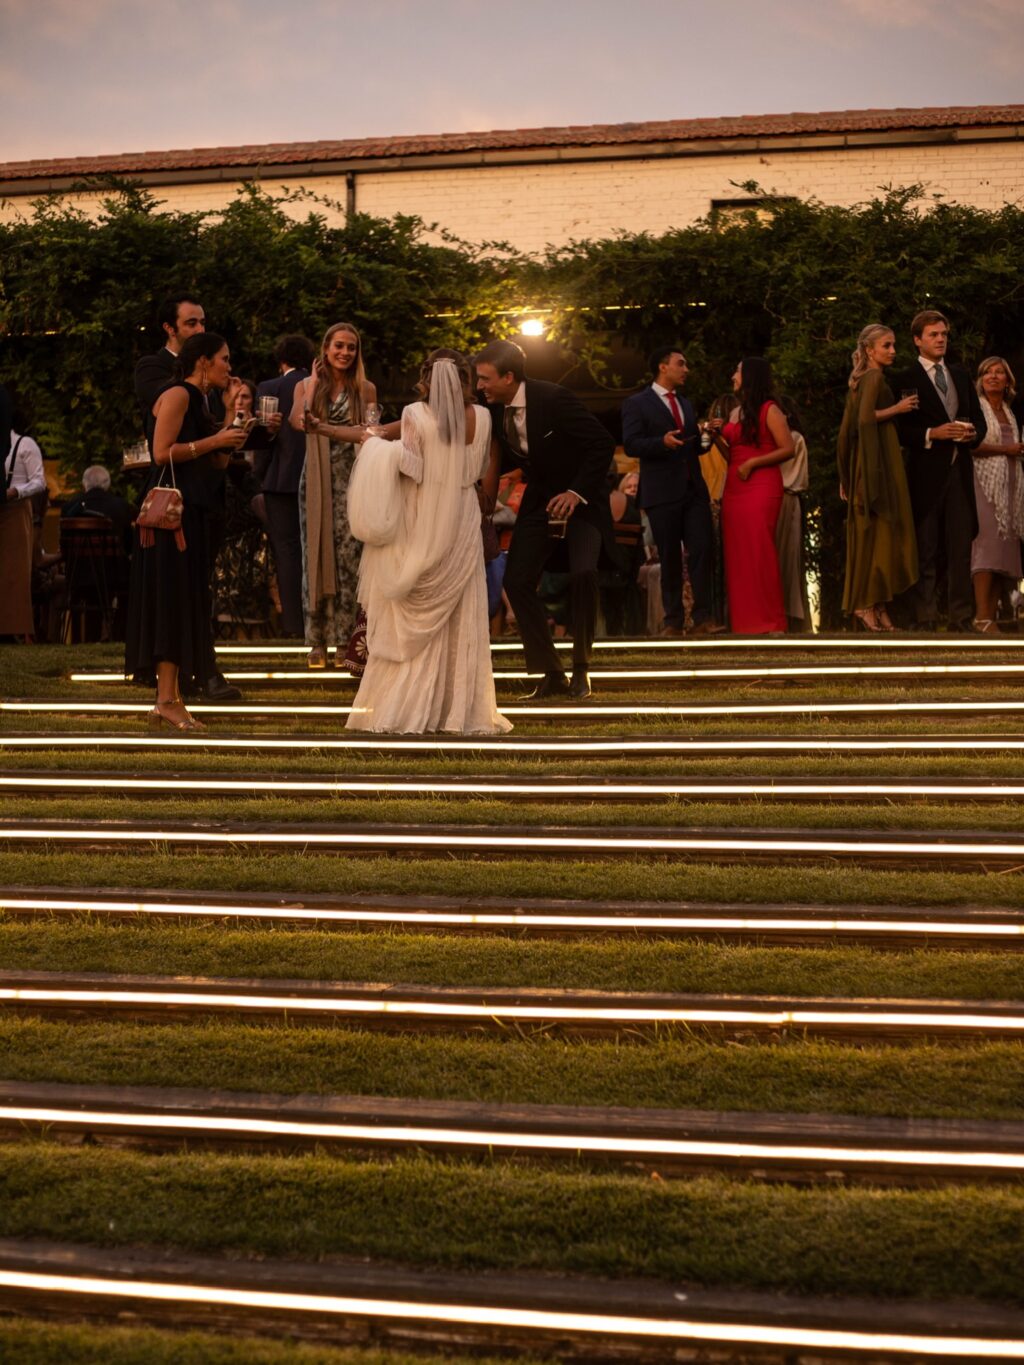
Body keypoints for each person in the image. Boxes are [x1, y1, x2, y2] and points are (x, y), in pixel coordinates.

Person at [345, 349, 511, 734]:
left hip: (426, 514)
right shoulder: (484, 417)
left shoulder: (415, 414)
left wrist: (374, 446)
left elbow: (413, 468)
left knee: (417, 600)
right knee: (460, 612)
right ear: (465, 379)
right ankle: (458, 710)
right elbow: (479, 466)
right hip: (464, 514)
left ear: (427, 379)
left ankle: (409, 707)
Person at [475, 339, 615, 700]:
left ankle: (582, 669)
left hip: (582, 501)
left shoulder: (553, 398)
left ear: (508, 377)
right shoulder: (492, 412)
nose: (480, 386)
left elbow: (601, 443)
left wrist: (575, 492)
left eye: (485, 379)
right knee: (517, 579)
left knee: (584, 573)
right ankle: (551, 672)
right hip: (539, 501)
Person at [124, 333, 249, 730]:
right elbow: (162, 453)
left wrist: (231, 422)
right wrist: (216, 437)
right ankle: (166, 699)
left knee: (183, 602)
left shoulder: (203, 401)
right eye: (224, 359)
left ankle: (169, 697)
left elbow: (215, 465)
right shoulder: (178, 394)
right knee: (171, 604)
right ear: (203, 361)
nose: (229, 367)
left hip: (192, 513)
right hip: (169, 520)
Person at [290, 322, 377, 669]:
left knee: (349, 558)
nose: (344, 353)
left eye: (351, 347)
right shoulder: (305, 385)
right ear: (325, 349)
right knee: (315, 557)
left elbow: (370, 431)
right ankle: (317, 641)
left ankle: (346, 639)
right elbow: (299, 422)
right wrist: (312, 386)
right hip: (315, 480)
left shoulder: (365, 388)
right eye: (338, 346)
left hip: (353, 479)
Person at [893, 310, 983, 631]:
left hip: (960, 473)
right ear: (918, 340)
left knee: (960, 549)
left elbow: (980, 423)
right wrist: (932, 434)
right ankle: (925, 616)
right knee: (925, 549)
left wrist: (973, 435)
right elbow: (901, 430)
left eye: (943, 334)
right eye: (933, 334)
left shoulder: (960, 374)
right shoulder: (906, 378)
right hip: (925, 475)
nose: (941, 339)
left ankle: (961, 618)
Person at [621, 346, 720, 637]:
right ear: (663, 367)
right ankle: (673, 621)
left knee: (702, 550)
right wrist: (660, 443)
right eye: (681, 364)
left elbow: (692, 448)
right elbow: (631, 444)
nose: (686, 369)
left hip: (692, 489)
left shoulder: (685, 405)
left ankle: (703, 618)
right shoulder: (637, 403)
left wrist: (706, 439)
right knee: (670, 557)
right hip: (661, 491)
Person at [836, 326, 919, 631]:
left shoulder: (861, 380)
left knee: (880, 533)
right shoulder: (873, 378)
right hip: (877, 464)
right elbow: (863, 420)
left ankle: (878, 604)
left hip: (872, 461)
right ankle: (865, 604)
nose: (893, 350)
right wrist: (897, 408)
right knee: (878, 533)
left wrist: (846, 472)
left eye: (894, 345)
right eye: (887, 345)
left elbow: (847, 431)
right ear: (870, 350)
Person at [715, 357, 794, 635]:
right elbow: (732, 456)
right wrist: (715, 437)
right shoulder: (737, 413)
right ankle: (746, 623)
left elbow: (788, 448)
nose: (733, 375)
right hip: (735, 489)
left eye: (737, 371)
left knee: (760, 550)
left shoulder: (769, 409)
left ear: (749, 376)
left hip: (761, 486)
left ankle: (771, 622)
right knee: (739, 555)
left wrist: (753, 463)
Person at [255, 334, 315, 637]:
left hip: (280, 480)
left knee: (287, 552)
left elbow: (265, 440)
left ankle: (294, 625)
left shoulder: (270, 388)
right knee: (314, 550)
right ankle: (319, 621)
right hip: (315, 479)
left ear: (282, 360)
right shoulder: (320, 385)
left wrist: (259, 475)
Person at [970, 356, 1024, 633]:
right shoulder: (977, 409)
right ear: (980, 380)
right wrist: (1007, 450)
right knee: (986, 546)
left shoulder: (1009, 411)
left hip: (1010, 485)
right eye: (987, 372)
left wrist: (1015, 451)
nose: (993, 376)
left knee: (1003, 550)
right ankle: (981, 616)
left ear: (1007, 381)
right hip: (984, 484)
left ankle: (989, 617)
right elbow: (973, 445)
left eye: (999, 372)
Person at [133, 294, 207, 436]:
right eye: (192, 324)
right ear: (170, 328)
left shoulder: (207, 368)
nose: (200, 330)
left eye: (202, 323)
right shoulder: (151, 367)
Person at [1, 419, 43, 639]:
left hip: (16, 509)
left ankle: (15, 629)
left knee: (15, 571)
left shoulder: (25, 445)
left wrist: (15, 491)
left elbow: (39, 481)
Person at [774, 399, 811, 631]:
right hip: (778, 498)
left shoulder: (793, 439)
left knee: (787, 556)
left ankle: (789, 613)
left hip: (786, 498)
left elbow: (793, 477)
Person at [62, 465, 134, 551]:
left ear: (84, 483)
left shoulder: (69, 507)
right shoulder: (121, 506)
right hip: (113, 563)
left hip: (77, 563)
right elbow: (129, 544)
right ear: (108, 483)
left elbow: (63, 544)